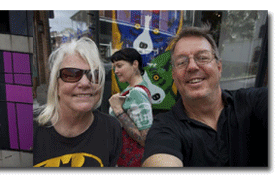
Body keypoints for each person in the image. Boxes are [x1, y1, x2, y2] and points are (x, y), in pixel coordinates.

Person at [141, 26, 268, 167]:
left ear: (219, 68)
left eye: (202, 58)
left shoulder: (255, 102)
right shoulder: (164, 128)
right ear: (173, 76)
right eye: (182, 62)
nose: (192, 67)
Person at [33, 37, 122, 167]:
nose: (86, 83)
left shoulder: (111, 128)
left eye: (93, 75)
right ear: (56, 85)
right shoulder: (28, 128)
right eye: (71, 74)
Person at [108, 48, 153, 167]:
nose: (116, 71)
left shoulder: (136, 93)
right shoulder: (132, 90)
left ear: (135, 64)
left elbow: (145, 138)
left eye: (119, 65)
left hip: (131, 162)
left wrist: (117, 110)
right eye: (114, 67)